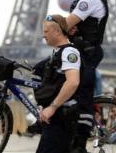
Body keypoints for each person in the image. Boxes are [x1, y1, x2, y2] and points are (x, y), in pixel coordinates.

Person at [64, 0, 109, 152]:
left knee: (82, 98)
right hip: (80, 50)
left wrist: (51, 22)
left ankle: (79, 143)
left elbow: (66, 24)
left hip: (86, 53)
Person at [34, 14, 81, 153]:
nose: (43, 35)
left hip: (61, 118)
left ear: (57, 31)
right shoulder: (58, 53)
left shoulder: (68, 52)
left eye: (46, 31)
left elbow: (73, 82)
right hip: (57, 118)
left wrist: (52, 107)